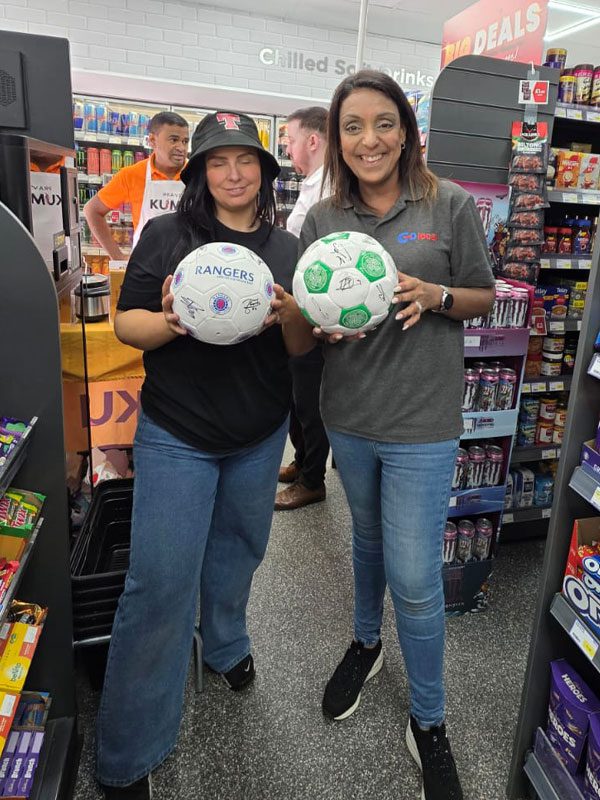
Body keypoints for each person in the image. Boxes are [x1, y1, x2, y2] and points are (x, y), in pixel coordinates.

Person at [95, 111, 314, 800]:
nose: (234, 172)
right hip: (178, 433)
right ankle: (128, 751)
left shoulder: (286, 248)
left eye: (246, 160)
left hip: (257, 434)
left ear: (265, 173)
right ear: (197, 173)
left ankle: (224, 646)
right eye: (218, 161)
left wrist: (292, 317)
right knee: (159, 583)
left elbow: (301, 350)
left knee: (239, 551)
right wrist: (168, 319)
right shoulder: (169, 234)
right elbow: (126, 325)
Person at [300, 71, 495, 800]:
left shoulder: (448, 206)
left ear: (407, 131)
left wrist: (436, 295)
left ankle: (429, 718)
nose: (369, 139)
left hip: (421, 422)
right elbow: (303, 319)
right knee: (367, 541)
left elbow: (481, 293)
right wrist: (310, 320)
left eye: (384, 123)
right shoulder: (322, 219)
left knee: (414, 576)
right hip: (349, 414)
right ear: (338, 140)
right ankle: (364, 642)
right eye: (353, 127)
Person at [275, 106, 331, 511]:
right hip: (298, 306)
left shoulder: (330, 190)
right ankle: (301, 460)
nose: (288, 148)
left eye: (290, 140)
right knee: (297, 393)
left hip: (316, 311)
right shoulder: (313, 184)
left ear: (312, 140)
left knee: (309, 397)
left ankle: (314, 479)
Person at [83, 111, 190, 260]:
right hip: (145, 266)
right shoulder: (131, 175)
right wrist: (117, 256)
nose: (181, 148)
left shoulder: (198, 174)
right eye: (174, 140)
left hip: (186, 265)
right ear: (152, 140)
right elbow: (92, 210)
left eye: (185, 141)